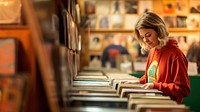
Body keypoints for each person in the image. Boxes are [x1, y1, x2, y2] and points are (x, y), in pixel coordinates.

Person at [122, 12, 190, 104]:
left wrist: (156, 86)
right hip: (152, 103)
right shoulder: (152, 51)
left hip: (167, 107)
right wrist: (138, 82)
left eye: (148, 35)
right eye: (142, 37)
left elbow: (183, 89)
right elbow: (151, 77)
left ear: (159, 31)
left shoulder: (176, 55)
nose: (145, 40)